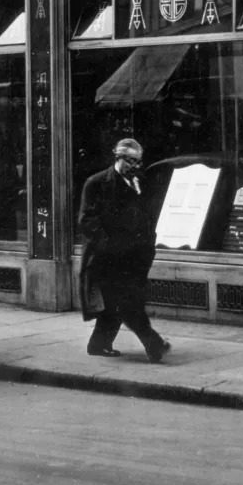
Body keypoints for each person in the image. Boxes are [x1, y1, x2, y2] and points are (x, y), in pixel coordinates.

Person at [78, 138, 171, 363]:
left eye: (138, 161)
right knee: (127, 303)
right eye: (131, 161)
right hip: (109, 258)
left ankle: (98, 344)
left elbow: (148, 216)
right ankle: (155, 345)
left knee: (120, 303)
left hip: (136, 256)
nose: (135, 166)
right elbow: (86, 220)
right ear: (118, 157)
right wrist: (109, 245)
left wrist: (149, 244)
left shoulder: (140, 182)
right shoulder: (96, 183)